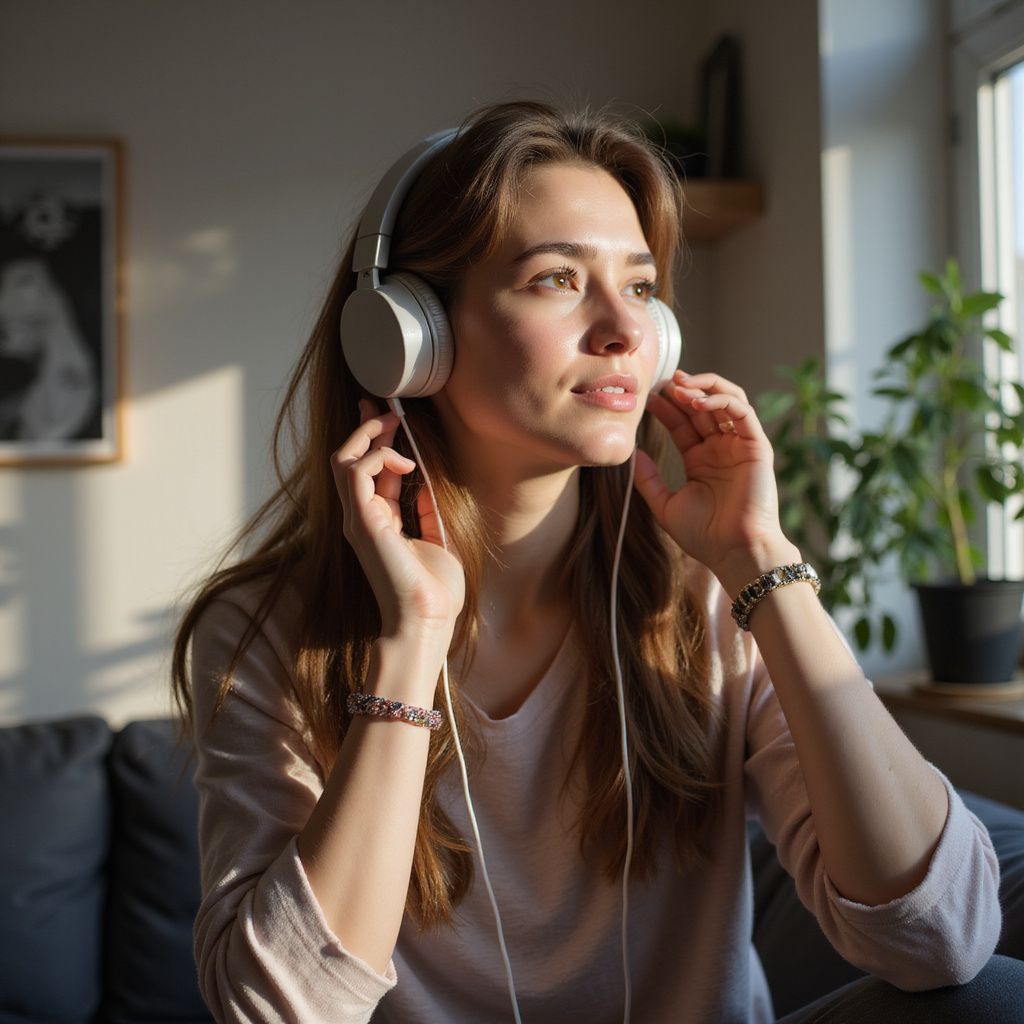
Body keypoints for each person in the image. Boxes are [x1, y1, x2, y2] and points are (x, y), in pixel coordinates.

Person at [173, 101, 1020, 1023]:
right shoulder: (268, 630)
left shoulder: (706, 594)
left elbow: (940, 940)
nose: (626, 329)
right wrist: (411, 639)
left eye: (642, 286)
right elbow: (280, 1010)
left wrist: (764, 566)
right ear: (410, 334)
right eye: (556, 280)